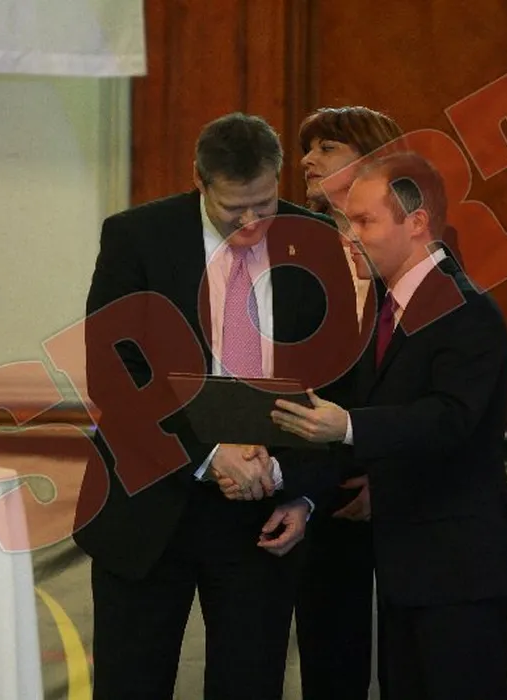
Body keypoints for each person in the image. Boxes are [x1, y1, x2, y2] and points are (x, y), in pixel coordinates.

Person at [74, 112, 359, 699]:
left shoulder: (317, 242)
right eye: (234, 209)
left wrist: (302, 492)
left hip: (264, 510)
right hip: (149, 503)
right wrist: (209, 455)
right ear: (199, 181)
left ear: (278, 177)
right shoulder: (138, 237)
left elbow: (337, 383)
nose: (252, 222)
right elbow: (113, 375)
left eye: (265, 204)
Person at [270, 151, 507, 699]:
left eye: (364, 221)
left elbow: (450, 419)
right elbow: (374, 423)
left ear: (416, 223)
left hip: (458, 574)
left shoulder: (467, 310)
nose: (349, 236)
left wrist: (347, 426)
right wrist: (305, 499)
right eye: (348, 221)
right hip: (406, 574)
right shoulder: (386, 310)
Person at [293, 105, 402, 699]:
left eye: (326, 147)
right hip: (312, 485)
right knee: (331, 664)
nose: (306, 160)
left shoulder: (420, 251)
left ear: (371, 160)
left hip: (398, 486)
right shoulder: (288, 249)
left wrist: (388, 476)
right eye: (307, 148)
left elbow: (437, 387)